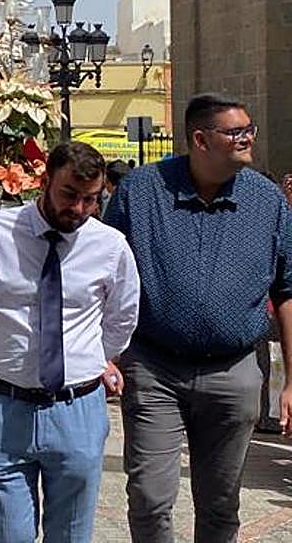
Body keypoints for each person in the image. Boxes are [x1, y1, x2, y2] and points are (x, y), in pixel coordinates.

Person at [103, 93, 292, 542]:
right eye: (236, 132)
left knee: (222, 502)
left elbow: (288, 289)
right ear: (200, 139)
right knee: (149, 496)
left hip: (234, 370)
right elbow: (102, 274)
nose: (248, 139)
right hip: (154, 367)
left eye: (250, 130)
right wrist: (105, 353)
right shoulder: (141, 190)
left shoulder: (267, 201)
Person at [0, 141, 140, 543]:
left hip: (77, 410)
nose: (79, 209)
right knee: (8, 535)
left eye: (91, 199)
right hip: (6, 407)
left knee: (70, 535)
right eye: (70, 195)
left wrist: (98, 358)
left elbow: (122, 315)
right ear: (44, 181)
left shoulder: (109, 245)